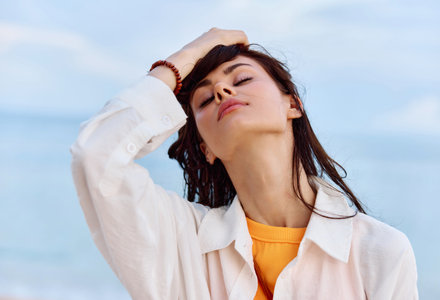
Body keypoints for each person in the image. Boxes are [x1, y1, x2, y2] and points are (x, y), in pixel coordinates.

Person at [71, 28, 418, 299]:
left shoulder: (380, 252)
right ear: (206, 148)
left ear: (292, 105)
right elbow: (97, 154)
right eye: (205, 98)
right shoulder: (184, 245)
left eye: (241, 79)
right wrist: (190, 54)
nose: (222, 91)